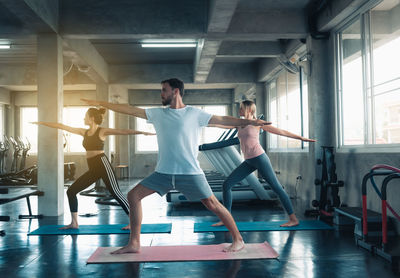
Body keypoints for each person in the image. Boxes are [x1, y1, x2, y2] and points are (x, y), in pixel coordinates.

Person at [81, 78, 271, 254]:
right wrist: (101, 103)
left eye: (164, 90)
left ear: (176, 91)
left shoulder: (194, 113)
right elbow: (129, 109)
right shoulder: (157, 113)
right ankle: (134, 243)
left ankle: (238, 239)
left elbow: (222, 120)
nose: (161, 94)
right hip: (163, 173)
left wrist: (249, 122)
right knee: (133, 195)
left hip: (190, 172)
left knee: (212, 203)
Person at [32, 107, 155, 229]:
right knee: (71, 191)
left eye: (85, 116)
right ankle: (74, 223)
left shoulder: (102, 131)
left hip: (103, 164)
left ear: (91, 118)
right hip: (93, 168)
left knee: (116, 193)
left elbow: (123, 131)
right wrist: (42, 123)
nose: (83, 118)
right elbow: (62, 126)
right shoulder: (83, 132)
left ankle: (133, 222)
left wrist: (143, 132)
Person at [209, 100, 315, 228]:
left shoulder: (258, 124)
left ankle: (293, 219)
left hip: (260, 158)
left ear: (248, 110)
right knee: (227, 185)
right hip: (248, 161)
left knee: (276, 188)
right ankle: (226, 219)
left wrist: (301, 138)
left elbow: (280, 132)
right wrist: (206, 123)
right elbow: (221, 124)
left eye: (241, 108)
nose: (239, 110)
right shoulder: (239, 124)